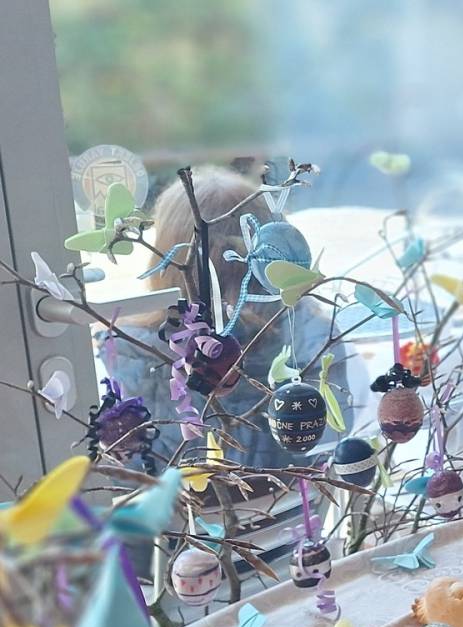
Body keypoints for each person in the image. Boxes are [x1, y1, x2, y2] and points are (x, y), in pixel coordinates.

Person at [108, 165, 351, 477]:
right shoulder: (313, 332)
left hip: (182, 507)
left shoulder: (131, 348)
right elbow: (336, 437)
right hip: (297, 501)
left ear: (167, 257)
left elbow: (134, 468)